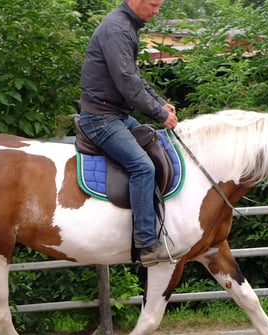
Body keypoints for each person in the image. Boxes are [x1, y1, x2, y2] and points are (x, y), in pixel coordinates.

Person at [78, 0, 188, 266]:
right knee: (143, 168)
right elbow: (127, 82)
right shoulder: (117, 29)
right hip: (101, 119)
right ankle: (146, 245)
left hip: (116, 115)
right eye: (153, 5)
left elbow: (135, 77)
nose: (157, 11)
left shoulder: (126, 26)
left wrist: (159, 102)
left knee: (157, 146)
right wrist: (160, 114)